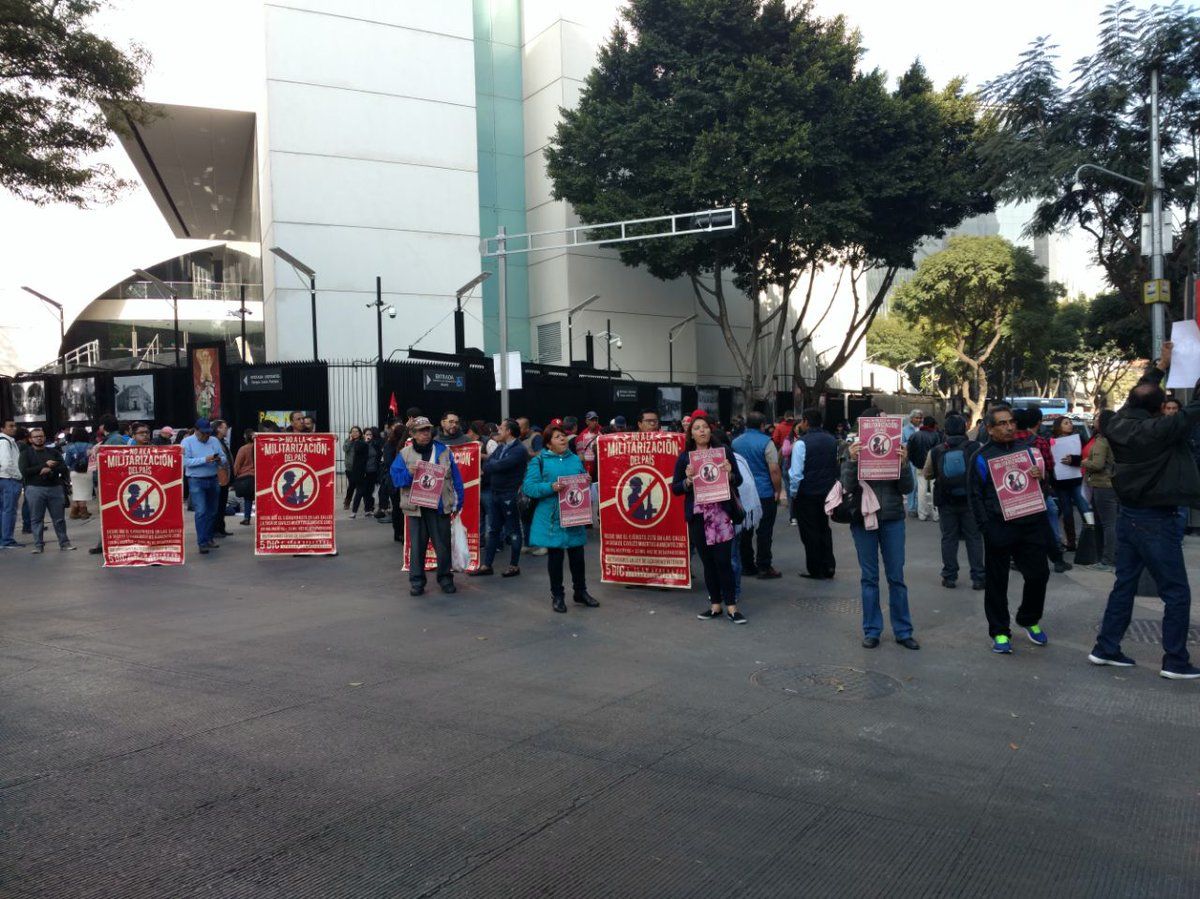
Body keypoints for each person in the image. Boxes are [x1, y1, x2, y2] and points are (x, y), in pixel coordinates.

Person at [1091, 343, 1200, 678]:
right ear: (1158, 409)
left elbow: (1135, 401)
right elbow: (1195, 408)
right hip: (1156, 520)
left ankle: (1106, 647)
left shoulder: (1117, 423)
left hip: (1129, 517)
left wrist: (1160, 367)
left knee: (1124, 583)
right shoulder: (1161, 430)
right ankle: (1176, 661)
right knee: (1176, 592)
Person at [968, 406, 1052, 654]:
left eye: (1011, 422)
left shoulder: (1029, 452)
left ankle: (1028, 618)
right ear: (990, 429)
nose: (1009, 427)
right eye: (1002, 423)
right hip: (999, 527)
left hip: (1030, 524)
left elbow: (1044, 489)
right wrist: (987, 528)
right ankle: (1000, 632)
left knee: (1039, 575)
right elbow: (975, 496)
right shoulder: (981, 457)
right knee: (997, 582)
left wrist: (1040, 477)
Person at [839, 409, 919, 650]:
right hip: (864, 519)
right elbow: (846, 485)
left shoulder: (897, 447)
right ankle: (872, 630)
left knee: (896, 577)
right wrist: (852, 461)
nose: (884, 425)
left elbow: (907, 488)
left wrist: (904, 464)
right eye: (880, 420)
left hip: (892, 518)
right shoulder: (852, 448)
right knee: (869, 578)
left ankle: (903, 631)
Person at [672, 412, 746, 623]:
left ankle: (732, 607)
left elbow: (738, 480)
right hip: (697, 517)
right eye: (697, 428)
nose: (702, 430)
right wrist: (687, 480)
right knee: (708, 563)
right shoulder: (685, 458)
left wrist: (730, 473)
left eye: (704, 427)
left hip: (721, 515)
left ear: (710, 430)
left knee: (724, 561)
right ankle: (715, 606)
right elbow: (675, 489)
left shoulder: (724, 453)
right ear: (691, 434)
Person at [521, 424, 596, 612]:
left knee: (578, 557)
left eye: (563, 435)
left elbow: (581, 479)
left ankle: (580, 592)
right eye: (557, 437)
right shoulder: (539, 461)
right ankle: (558, 595)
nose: (562, 439)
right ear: (548, 444)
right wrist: (550, 487)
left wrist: (585, 479)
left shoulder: (574, 459)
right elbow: (529, 487)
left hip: (574, 516)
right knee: (555, 559)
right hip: (552, 518)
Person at [390, 416, 463, 596]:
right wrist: (409, 473)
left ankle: (445, 579)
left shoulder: (444, 451)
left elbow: (456, 477)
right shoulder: (404, 454)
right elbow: (396, 480)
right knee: (417, 548)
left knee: (443, 546)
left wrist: (459, 501)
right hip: (417, 509)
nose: (425, 434)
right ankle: (417, 582)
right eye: (421, 431)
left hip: (439, 507)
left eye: (428, 430)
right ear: (413, 434)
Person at [924, 414, 983, 590]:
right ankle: (978, 577)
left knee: (949, 538)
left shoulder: (937, 450)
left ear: (946, 430)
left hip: (946, 501)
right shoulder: (976, 447)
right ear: (964, 428)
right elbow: (983, 470)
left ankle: (950, 576)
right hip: (971, 501)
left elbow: (928, 474)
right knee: (974, 538)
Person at [1013, 407, 1071, 574]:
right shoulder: (1039, 441)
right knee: (1044, 526)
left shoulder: (1006, 443)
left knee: (1017, 527)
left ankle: (1018, 559)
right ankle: (1058, 560)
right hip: (1037, 490)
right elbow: (1049, 466)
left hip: (1014, 492)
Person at [471, 418, 528, 578]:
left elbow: (496, 465)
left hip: (509, 494)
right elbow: (490, 464)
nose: (498, 431)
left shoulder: (519, 450)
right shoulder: (501, 447)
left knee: (514, 531)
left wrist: (493, 465)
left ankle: (514, 566)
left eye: (501, 428)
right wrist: (493, 465)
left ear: (509, 431)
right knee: (494, 530)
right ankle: (486, 565)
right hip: (496, 493)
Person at [788, 408, 839, 580]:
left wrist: (793, 493)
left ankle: (815, 568)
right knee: (824, 528)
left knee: (809, 531)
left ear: (806, 422)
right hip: (827, 492)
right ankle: (829, 565)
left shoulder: (801, 443)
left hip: (807, 493)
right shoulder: (832, 440)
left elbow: (796, 474)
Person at [732, 411, 783, 579]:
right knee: (764, 530)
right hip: (764, 492)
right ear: (763, 425)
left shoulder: (736, 442)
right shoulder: (767, 443)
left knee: (745, 529)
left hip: (743, 492)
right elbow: (774, 469)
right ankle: (764, 565)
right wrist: (777, 490)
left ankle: (747, 564)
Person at [20, 426, 75, 553]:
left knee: (59, 518)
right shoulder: (25, 454)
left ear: (44, 437)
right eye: (36, 437)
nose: (39, 439)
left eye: (41, 436)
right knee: (36, 519)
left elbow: (63, 468)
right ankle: (38, 545)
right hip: (34, 489)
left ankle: (64, 543)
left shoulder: (54, 452)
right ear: (30, 439)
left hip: (55, 488)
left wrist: (50, 469)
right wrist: (44, 466)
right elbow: (24, 471)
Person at [181, 418, 228, 554]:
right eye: (203, 433)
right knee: (201, 511)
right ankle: (202, 542)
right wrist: (204, 460)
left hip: (213, 478)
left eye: (208, 433)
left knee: (213, 511)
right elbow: (184, 462)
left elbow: (224, 458)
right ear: (196, 431)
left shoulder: (214, 441)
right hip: (196, 480)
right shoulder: (187, 442)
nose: (206, 436)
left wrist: (219, 459)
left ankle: (208, 538)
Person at [1081, 410, 1117, 572]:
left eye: (1097, 418)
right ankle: (1107, 557)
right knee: (1109, 522)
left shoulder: (1103, 440)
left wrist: (1084, 462)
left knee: (1108, 523)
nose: (1094, 420)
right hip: (1111, 484)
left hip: (1103, 485)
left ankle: (1108, 559)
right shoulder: (1116, 437)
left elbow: (1097, 464)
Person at [1049, 416, 1091, 552]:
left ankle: (1091, 538)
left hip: (1077, 480)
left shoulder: (1079, 439)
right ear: (1058, 426)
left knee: (1084, 509)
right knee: (1067, 513)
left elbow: (1087, 457)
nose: (1069, 425)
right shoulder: (1050, 441)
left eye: (1070, 422)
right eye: (1066, 423)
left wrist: (1074, 460)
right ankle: (1071, 542)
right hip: (1060, 484)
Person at [907, 415, 942, 522]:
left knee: (921, 489)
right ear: (933, 424)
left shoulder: (915, 435)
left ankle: (922, 514)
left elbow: (910, 452)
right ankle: (936, 514)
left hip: (919, 466)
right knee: (934, 489)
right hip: (934, 466)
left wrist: (914, 462)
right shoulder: (936, 436)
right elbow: (938, 451)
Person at [0, 417, 22, 548]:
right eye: (10, 426)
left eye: (14, 426)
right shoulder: (4, 442)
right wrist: (18, 476)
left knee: (4, 510)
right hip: (9, 479)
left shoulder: (6, 441)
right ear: (2, 428)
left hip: (4, 479)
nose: (14, 428)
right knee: (9, 510)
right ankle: (7, 540)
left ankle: (4, 539)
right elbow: (7, 463)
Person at [63, 426, 93, 520]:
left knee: (77, 492)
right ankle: (83, 512)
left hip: (74, 473)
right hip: (87, 472)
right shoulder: (90, 446)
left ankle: (74, 511)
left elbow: (67, 462)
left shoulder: (70, 447)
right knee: (83, 493)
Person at [211, 420, 234, 538]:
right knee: (217, 505)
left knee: (222, 505)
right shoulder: (214, 442)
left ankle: (221, 528)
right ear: (218, 429)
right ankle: (215, 530)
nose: (227, 430)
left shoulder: (222, 442)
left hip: (225, 478)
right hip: (219, 478)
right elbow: (214, 459)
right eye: (225, 428)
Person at [344, 426, 371, 518]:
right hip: (350, 469)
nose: (354, 433)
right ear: (350, 433)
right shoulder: (349, 441)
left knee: (362, 490)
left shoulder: (362, 442)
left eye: (356, 431)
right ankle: (348, 502)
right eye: (353, 431)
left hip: (360, 470)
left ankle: (365, 509)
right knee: (352, 487)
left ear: (360, 433)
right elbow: (345, 449)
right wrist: (350, 441)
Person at [902, 409, 923, 516]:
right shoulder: (905, 430)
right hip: (911, 460)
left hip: (923, 459)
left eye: (920, 418)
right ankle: (911, 508)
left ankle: (921, 508)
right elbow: (901, 443)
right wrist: (911, 444)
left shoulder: (923, 429)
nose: (919, 420)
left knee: (922, 486)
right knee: (913, 484)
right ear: (911, 419)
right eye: (916, 417)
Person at [233, 428, 256, 525]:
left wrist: (234, 476)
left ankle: (247, 518)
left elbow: (237, 464)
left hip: (246, 476)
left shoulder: (243, 449)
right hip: (259, 475)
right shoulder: (260, 447)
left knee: (248, 498)